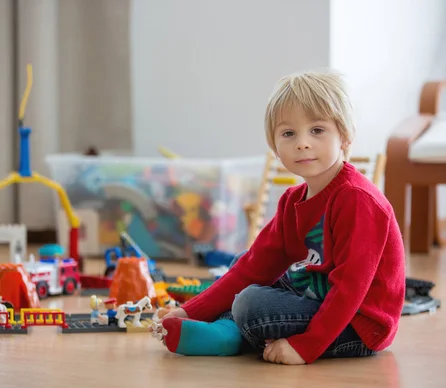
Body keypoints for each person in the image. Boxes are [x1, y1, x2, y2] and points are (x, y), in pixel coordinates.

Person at [151, 70, 406, 365]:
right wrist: (190, 310)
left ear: (345, 135)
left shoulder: (357, 199)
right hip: (314, 298)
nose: (302, 143)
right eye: (288, 134)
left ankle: (231, 334)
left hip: (359, 324)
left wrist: (306, 347)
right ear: (274, 147)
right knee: (241, 267)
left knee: (251, 301)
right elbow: (253, 267)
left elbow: (350, 290)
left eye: (317, 130)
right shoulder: (292, 201)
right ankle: (225, 331)